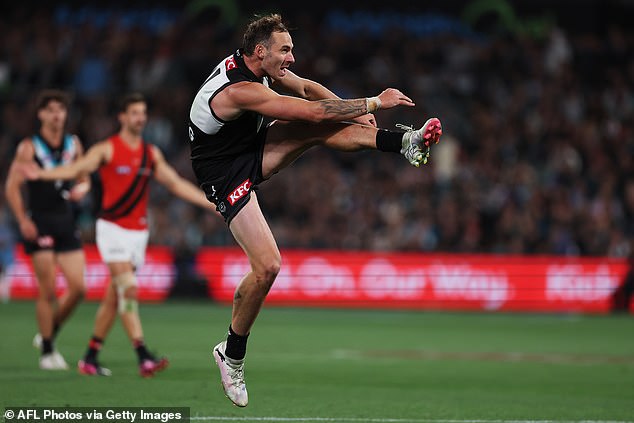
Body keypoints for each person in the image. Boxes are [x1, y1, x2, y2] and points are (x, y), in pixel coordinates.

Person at [188, 13, 442, 407]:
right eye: (285, 50)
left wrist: (350, 107)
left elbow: (307, 89)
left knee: (318, 128)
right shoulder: (238, 90)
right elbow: (309, 111)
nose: (292, 56)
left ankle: (407, 142)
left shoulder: (259, 67)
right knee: (268, 266)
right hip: (222, 172)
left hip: (247, 147)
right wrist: (373, 101)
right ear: (261, 52)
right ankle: (231, 353)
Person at [24, 93, 216, 377]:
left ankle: (90, 356)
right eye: (134, 113)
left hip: (138, 233)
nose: (140, 118)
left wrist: (211, 204)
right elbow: (79, 168)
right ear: (122, 117)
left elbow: (175, 184)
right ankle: (142, 354)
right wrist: (43, 175)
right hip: (111, 229)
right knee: (128, 288)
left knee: (115, 299)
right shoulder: (107, 150)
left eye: (143, 113)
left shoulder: (151, 154)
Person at [5, 89, 89, 370]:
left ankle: (46, 333)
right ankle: (49, 352)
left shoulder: (73, 144)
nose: (57, 115)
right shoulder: (29, 147)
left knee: (78, 288)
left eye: (60, 110)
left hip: (65, 220)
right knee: (48, 290)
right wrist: (23, 220)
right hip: (39, 221)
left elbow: (84, 177)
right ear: (41, 114)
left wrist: (81, 188)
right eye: (51, 110)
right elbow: (12, 188)